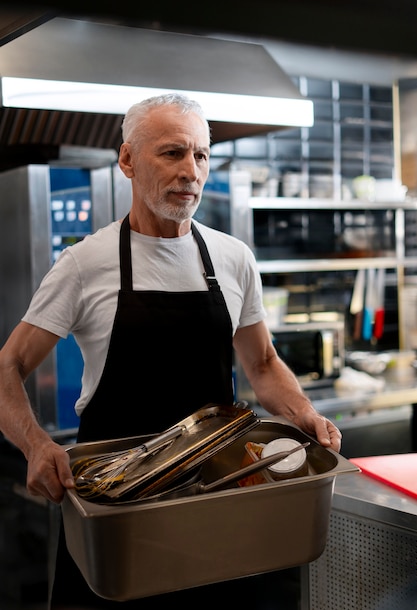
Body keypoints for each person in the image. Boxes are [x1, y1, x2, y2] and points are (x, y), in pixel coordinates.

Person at [0, 92, 341, 608]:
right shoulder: (84, 263)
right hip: (116, 509)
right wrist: (35, 445)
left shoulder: (233, 258)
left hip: (213, 500)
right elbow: (9, 366)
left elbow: (264, 364)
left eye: (201, 155)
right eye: (172, 153)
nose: (191, 170)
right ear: (128, 160)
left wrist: (306, 413)